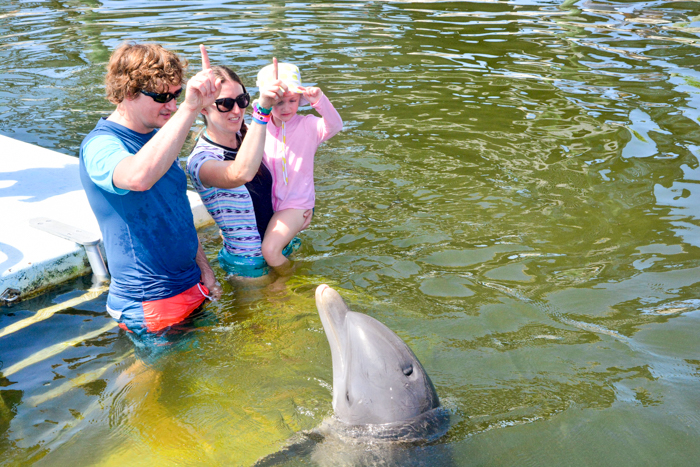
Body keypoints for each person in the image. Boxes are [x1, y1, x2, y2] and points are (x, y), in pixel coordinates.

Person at [79, 42, 287, 335]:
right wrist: (192, 106)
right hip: (149, 299)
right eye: (162, 97)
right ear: (127, 92)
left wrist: (203, 266)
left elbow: (176, 211)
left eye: (177, 95)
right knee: (151, 380)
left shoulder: (158, 137)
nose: (172, 105)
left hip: (191, 284)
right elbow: (138, 177)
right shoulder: (101, 144)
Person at [186, 60, 311, 278]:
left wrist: (296, 214)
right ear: (203, 108)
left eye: (242, 100)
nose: (237, 110)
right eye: (225, 103)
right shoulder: (201, 161)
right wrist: (261, 111)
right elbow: (240, 173)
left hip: (282, 246)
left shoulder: (246, 135)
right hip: (249, 267)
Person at [255, 62, 343, 272]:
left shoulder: (309, 125)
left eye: (292, 101)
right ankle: (289, 258)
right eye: (278, 102)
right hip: (268, 201)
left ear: (299, 100)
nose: (286, 108)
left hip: (296, 203)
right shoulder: (259, 127)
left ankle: (292, 279)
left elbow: (336, 125)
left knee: (269, 250)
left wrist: (320, 101)